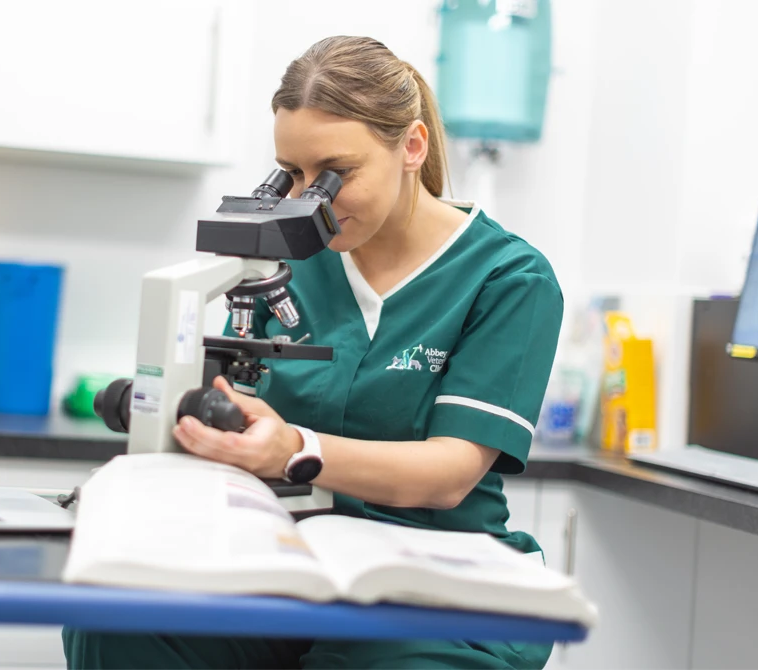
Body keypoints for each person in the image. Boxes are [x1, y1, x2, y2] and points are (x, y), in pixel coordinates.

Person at [64, 35, 563, 670]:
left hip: (438, 585)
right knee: (119, 623)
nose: (310, 200)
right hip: (295, 566)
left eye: (335, 174)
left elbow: (450, 473)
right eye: (293, 175)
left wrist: (297, 448)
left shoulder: (508, 277)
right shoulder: (287, 262)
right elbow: (238, 405)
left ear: (412, 146)